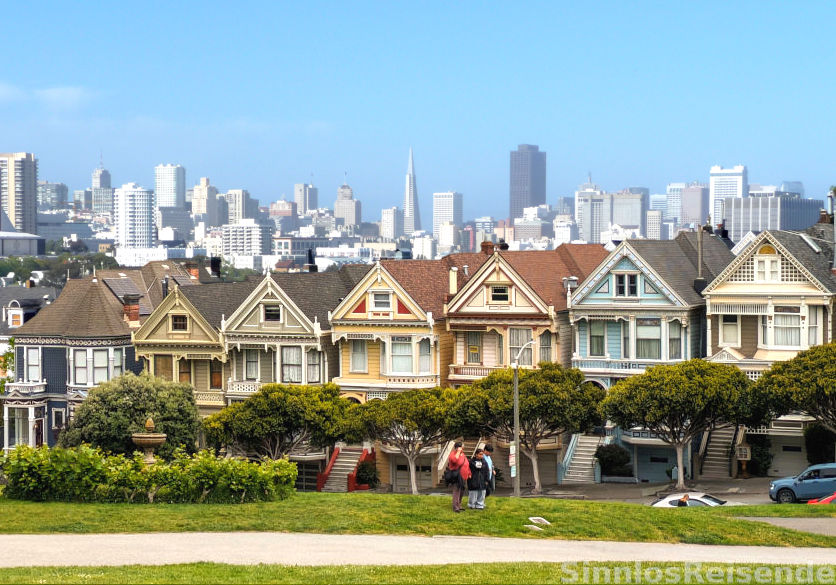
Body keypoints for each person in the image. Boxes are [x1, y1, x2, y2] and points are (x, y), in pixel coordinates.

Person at [446, 442, 471, 512]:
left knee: (462, 491)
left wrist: (469, 473)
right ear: (458, 447)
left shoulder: (463, 454)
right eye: (462, 447)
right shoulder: (453, 454)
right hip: (457, 476)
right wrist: (458, 452)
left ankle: (459, 505)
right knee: (456, 491)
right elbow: (454, 460)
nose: (463, 448)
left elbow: (466, 464)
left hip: (464, 476)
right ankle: (455, 507)